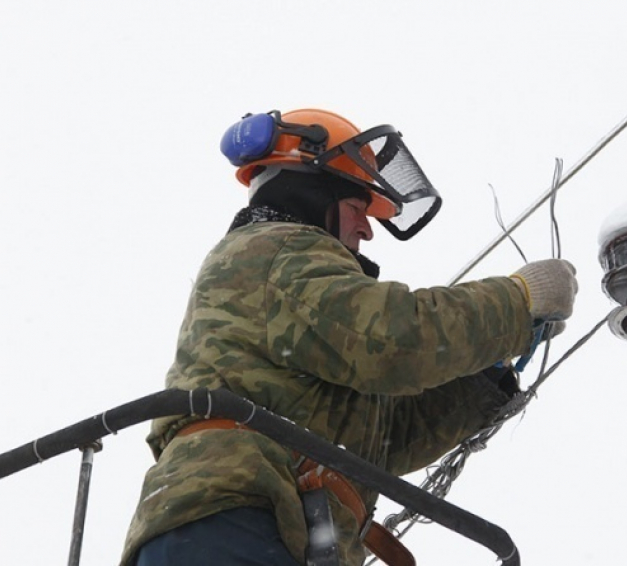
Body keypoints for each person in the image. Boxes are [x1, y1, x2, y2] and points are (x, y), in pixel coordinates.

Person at [121, 108, 578, 566]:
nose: (365, 230)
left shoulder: (305, 309)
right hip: (234, 521)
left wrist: (486, 374)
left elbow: (389, 439)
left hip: (271, 528)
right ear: (310, 192)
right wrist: (517, 301)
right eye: (358, 208)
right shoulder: (274, 248)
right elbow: (395, 339)